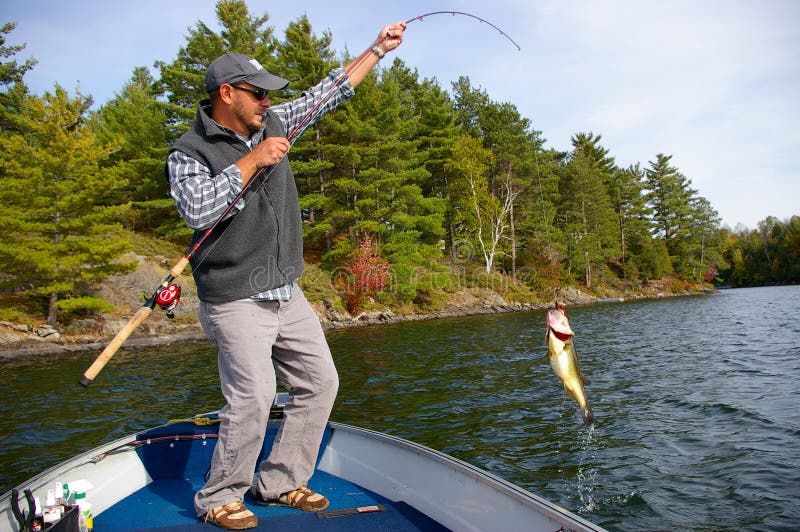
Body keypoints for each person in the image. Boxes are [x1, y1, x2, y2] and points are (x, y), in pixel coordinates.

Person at [166, 21, 406, 530]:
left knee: (320, 383)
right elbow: (197, 212)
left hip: (284, 290)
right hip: (233, 296)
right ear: (227, 94)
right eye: (257, 93)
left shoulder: (273, 121)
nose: (266, 101)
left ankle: (279, 480)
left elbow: (328, 94)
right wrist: (252, 161)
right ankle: (219, 498)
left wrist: (377, 50)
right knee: (252, 396)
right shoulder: (189, 152)